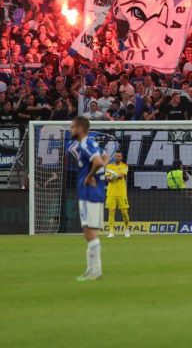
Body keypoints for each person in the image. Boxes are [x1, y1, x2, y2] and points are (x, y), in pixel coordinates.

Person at [69, 115, 107, 282]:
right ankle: (91, 269)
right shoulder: (92, 143)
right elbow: (105, 157)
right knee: (89, 232)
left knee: (89, 232)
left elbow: (98, 161)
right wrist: (98, 172)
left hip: (89, 192)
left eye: (72, 127)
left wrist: (90, 175)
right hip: (95, 191)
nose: (71, 130)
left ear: (80, 129)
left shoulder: (85, 143)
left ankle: (95, 271)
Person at [105, 150, 131, 238]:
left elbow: (121, 176)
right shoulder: (109, 166)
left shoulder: (125, 166)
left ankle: (127, 229)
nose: (117, 157)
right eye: (116, 156)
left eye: (119, 156)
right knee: (111, 212)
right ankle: (111, 232)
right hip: (111, 193)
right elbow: (108, 179)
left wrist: (113, 175)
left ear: (121, 157)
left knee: (124, 213)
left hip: (121, 193)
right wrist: (113, 176)